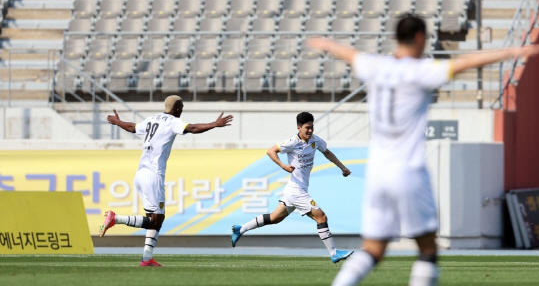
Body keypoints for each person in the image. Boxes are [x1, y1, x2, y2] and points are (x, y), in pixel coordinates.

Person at [308, 14, 539, 286]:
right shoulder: (421, 70)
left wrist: (324, 44)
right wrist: (510, 53)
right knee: (427, 247)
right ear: (420, 37)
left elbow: (349, 54)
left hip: (376, 172)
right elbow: (467, 63)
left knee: (373, 249)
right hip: (408, 171)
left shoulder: (375, 66)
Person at [99, 95, 233, 266]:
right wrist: (214, 124)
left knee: (152, 217)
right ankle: (115, 218)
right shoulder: (172, 121)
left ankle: (147, 258)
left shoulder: (152, 118)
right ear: (177, 109)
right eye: (182, 108)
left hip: (140, 174)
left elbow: (132, 127)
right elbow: (191, 128)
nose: (182, 111)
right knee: (157, 220)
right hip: (153, 175)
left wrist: (118, 122)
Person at [231, 112, 355, 264]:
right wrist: (283, 165)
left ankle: (240, 229)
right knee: (321, 217)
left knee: (275, 218)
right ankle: (334, 252)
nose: (310, 131)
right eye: (307, 128)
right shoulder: (292, 142)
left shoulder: (315, 140)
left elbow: (327, 152)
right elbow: (271, 151)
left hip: (294, 188)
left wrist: (343, 168)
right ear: (299, 128)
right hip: (296, 190)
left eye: (312, 127)